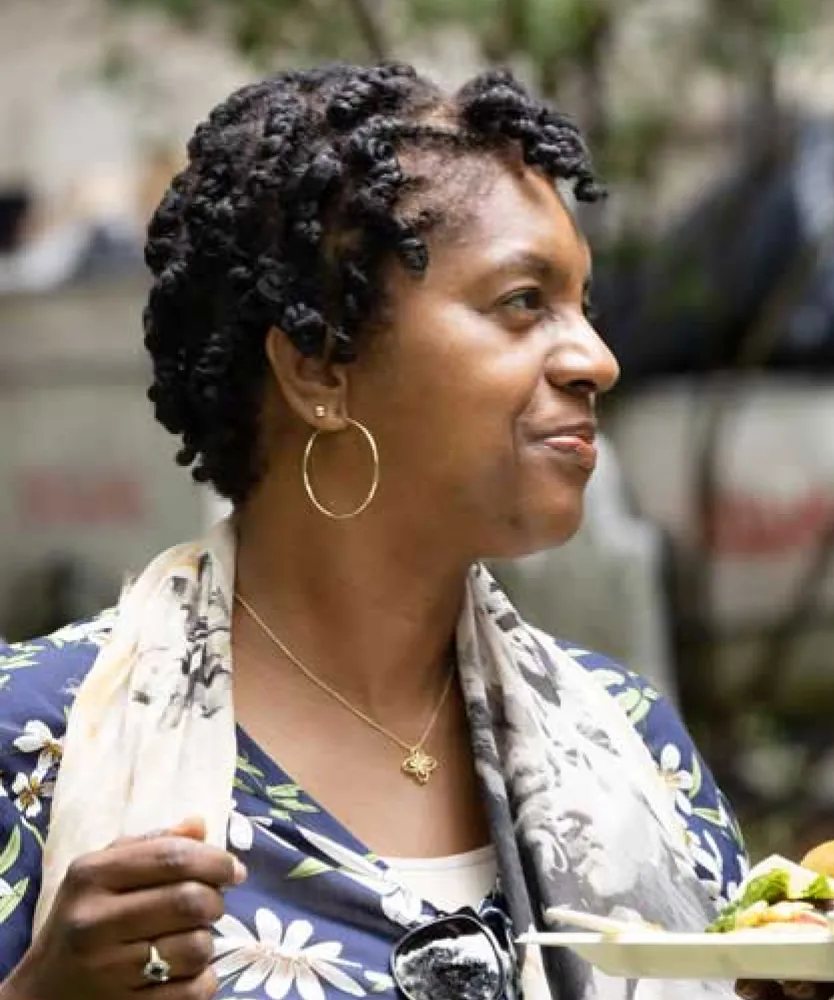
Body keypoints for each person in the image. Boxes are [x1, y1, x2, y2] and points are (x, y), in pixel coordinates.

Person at [0, 64, 749, 1000]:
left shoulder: (635, 744)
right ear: (318, 370)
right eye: (524, 302)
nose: (596, 359)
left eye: (583, 307)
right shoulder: (37, 744)